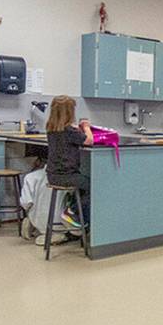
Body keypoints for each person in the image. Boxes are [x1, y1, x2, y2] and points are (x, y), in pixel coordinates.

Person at [45, 95, 93, 227]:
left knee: (82, 185)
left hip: (53, 175)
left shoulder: (51, 128)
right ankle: (73, 211)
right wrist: (86, 127)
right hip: (67, 175)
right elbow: (89, 140)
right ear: (69, 112)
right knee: (93, 186)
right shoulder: (69, 131)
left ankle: (74, 213)